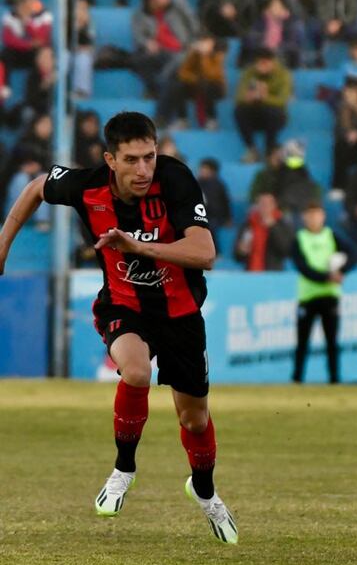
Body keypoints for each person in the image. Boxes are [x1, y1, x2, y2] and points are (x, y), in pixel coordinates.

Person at [0, 112, 237, 543]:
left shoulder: (176, 179)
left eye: (149, 157)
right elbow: (36, 188)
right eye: (131, 160)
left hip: (181, 312)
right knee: (136, 370)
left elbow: (205, 253)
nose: (143, 169)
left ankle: (204, 491)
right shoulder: (86, 186)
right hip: (124, 306)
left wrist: (138, 246)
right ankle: (123, 468)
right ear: (110, 159)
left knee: (195, 420)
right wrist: (2, 245)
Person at [291, 202, 357, 384]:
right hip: (307, 296)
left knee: (332, 341)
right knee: (302, 342)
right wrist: (327, 277)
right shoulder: (299, 238)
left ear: (323, 216)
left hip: (330, 295)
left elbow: (354, 254)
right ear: (304, 217)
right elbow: (303, 267)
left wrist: (342, 271)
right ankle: (297, 379)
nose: (314, 219)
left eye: (317, 215)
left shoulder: (331, 235)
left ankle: (334, 379)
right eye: (310, 215)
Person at [131, 0, 197, 99]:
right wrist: (147, 43)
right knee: (139, 58)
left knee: (179, 59)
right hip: (161, 51)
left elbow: (194, 25)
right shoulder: (139, 15)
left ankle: (157, 88)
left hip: (183, 49)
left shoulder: (178, 6)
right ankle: (157, 88)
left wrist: (194, 43)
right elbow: (138, 36)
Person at [234, 48, 293, 162]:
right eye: (259, 63)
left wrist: (264, 97)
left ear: (272, 62)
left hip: (275, 117)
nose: (262, 66)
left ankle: (269, 150)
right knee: (239, 111)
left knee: (272, 111)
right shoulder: (249, 73)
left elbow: (282, 100)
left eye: (266, 63)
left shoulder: (283, 74)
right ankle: (251, 149)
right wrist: (248, 97)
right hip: (254, 114)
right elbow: (239, 96)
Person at [234, 191, 293, 271]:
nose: (265, 207)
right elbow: (237, 256)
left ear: (274, 205)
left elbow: (286, 250)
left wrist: (273, 227)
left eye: (268, 204)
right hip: (251, 273)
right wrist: (241, 251)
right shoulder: (248, 225)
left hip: (273, 274)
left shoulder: (282, 224)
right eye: (262, 203)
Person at [196, 158, 232, 254]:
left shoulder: (219, 185)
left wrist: (228, 218)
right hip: (201, 214)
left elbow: (225, 203)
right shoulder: (197, 183)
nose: (201, 171)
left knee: (209, 226)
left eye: (205, 168)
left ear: (212, 171)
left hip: (216, 217)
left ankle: (215, 251)